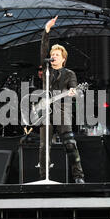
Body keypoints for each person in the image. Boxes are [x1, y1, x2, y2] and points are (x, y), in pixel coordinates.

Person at [38, 16, 85, 183]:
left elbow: (75, 89)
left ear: (63, 58)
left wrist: (74, 92)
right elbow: (43, 48)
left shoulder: (69, 74)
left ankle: (78, 177)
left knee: (70, 144)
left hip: (63, 112)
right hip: (46, 113)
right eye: (52, 54)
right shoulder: (47, 70)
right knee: (44, 148)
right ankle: (44, 178)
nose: (54, 56)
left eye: (57, 55)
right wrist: (47, 30)